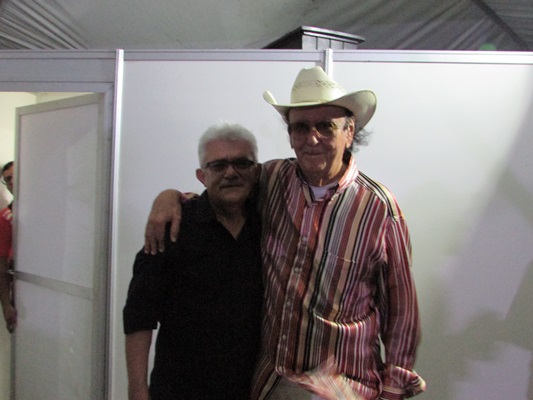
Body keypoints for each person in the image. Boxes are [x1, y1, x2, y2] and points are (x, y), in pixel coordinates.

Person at [144, 67, 426, 400]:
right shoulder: (272, 179)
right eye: (300, 127)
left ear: (349, 132)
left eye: (325, 126)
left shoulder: (378, 208)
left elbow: (401, 312)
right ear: (290, 136)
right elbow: (222, 189)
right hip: (269, 384)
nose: (312, 138)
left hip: (342, 388)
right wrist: (170, 197)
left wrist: (392, 391)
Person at [123, 122, 264, 400]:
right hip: (181, 389)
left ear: (256, 171)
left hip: (254, 389)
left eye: (241, 163)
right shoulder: (171, 229)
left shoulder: (271, 223)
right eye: (218, 165)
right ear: (202, 176)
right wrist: (137, 388)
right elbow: (139, 313)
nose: (231, 173)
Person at [0, 161, 16, 333]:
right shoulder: (5, 217)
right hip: (22, 287)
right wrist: (6, 305)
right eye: (7, 179)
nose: (12, 182)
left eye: (14, 176)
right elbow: (1, 263)